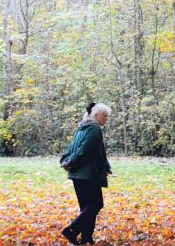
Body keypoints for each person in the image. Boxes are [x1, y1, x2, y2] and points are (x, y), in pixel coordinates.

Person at [60, 102, 112, 245]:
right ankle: (71, 230)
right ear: (96, 115)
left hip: (77, 174)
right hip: (88, 175)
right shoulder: (94, 130)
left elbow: (92, 151)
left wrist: (66, 161)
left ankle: (86, 238)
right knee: (96, 204)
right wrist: (69, 162)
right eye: (105, 115)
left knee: (86, 208)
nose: (106, 119)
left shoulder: (81, 128)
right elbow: (84, 151)